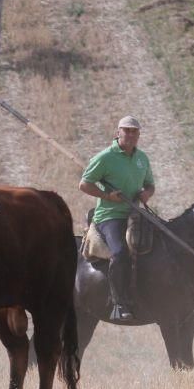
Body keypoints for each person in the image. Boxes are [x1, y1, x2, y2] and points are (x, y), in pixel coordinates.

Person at [79, 116, 155, 322]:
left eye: (134, 131)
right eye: (126, 130)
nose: (130, 134)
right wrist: (107, 196)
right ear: (118, 132)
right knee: (120, 253)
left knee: (159, 247)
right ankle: (118, 303)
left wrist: (146, 194)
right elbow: (84, 184)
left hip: (134, 214)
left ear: (139, 135)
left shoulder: (142, 158)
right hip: (109, 216)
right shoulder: (105, 157)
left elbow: (150, 185)